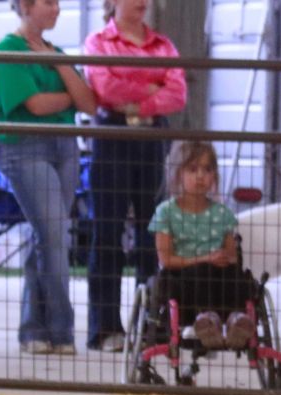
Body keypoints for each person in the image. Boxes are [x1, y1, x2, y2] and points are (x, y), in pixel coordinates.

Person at [0, 0, 98, 357]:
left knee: (48, 236)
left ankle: (33, 328)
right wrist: (69, 96)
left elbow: (89, 104)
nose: (56, 9)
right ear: (24, 6)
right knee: (55, 235)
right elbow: (34, 105)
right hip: (25, 147)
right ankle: (61, 329)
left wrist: (63, 67)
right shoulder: (7, 51)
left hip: (64, 146)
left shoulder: (59, 53)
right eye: (48, 2)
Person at [82, 0, 186, 354]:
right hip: (111, 139)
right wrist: (151, 89)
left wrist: (133, 100)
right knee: (107, 232)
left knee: (152, 233)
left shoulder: (163, 44)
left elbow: (178, 93)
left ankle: (152, 326)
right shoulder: (97, 42)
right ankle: (104, 327)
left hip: (151, 140)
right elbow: (104, 89)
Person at [148, 140, 256, 349]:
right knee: (198, 272)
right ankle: (206, 321)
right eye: (193, 169)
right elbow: (166, 259)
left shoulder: (222, 214)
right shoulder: (166, 212)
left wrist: (224, 257)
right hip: (182, 275)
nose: (200, 176)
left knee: (236, 274)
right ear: (178, 174)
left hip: (218, 275)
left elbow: (232, 255)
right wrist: (204, 258)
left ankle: (236, 321)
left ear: (214, 175)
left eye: (207, 169)